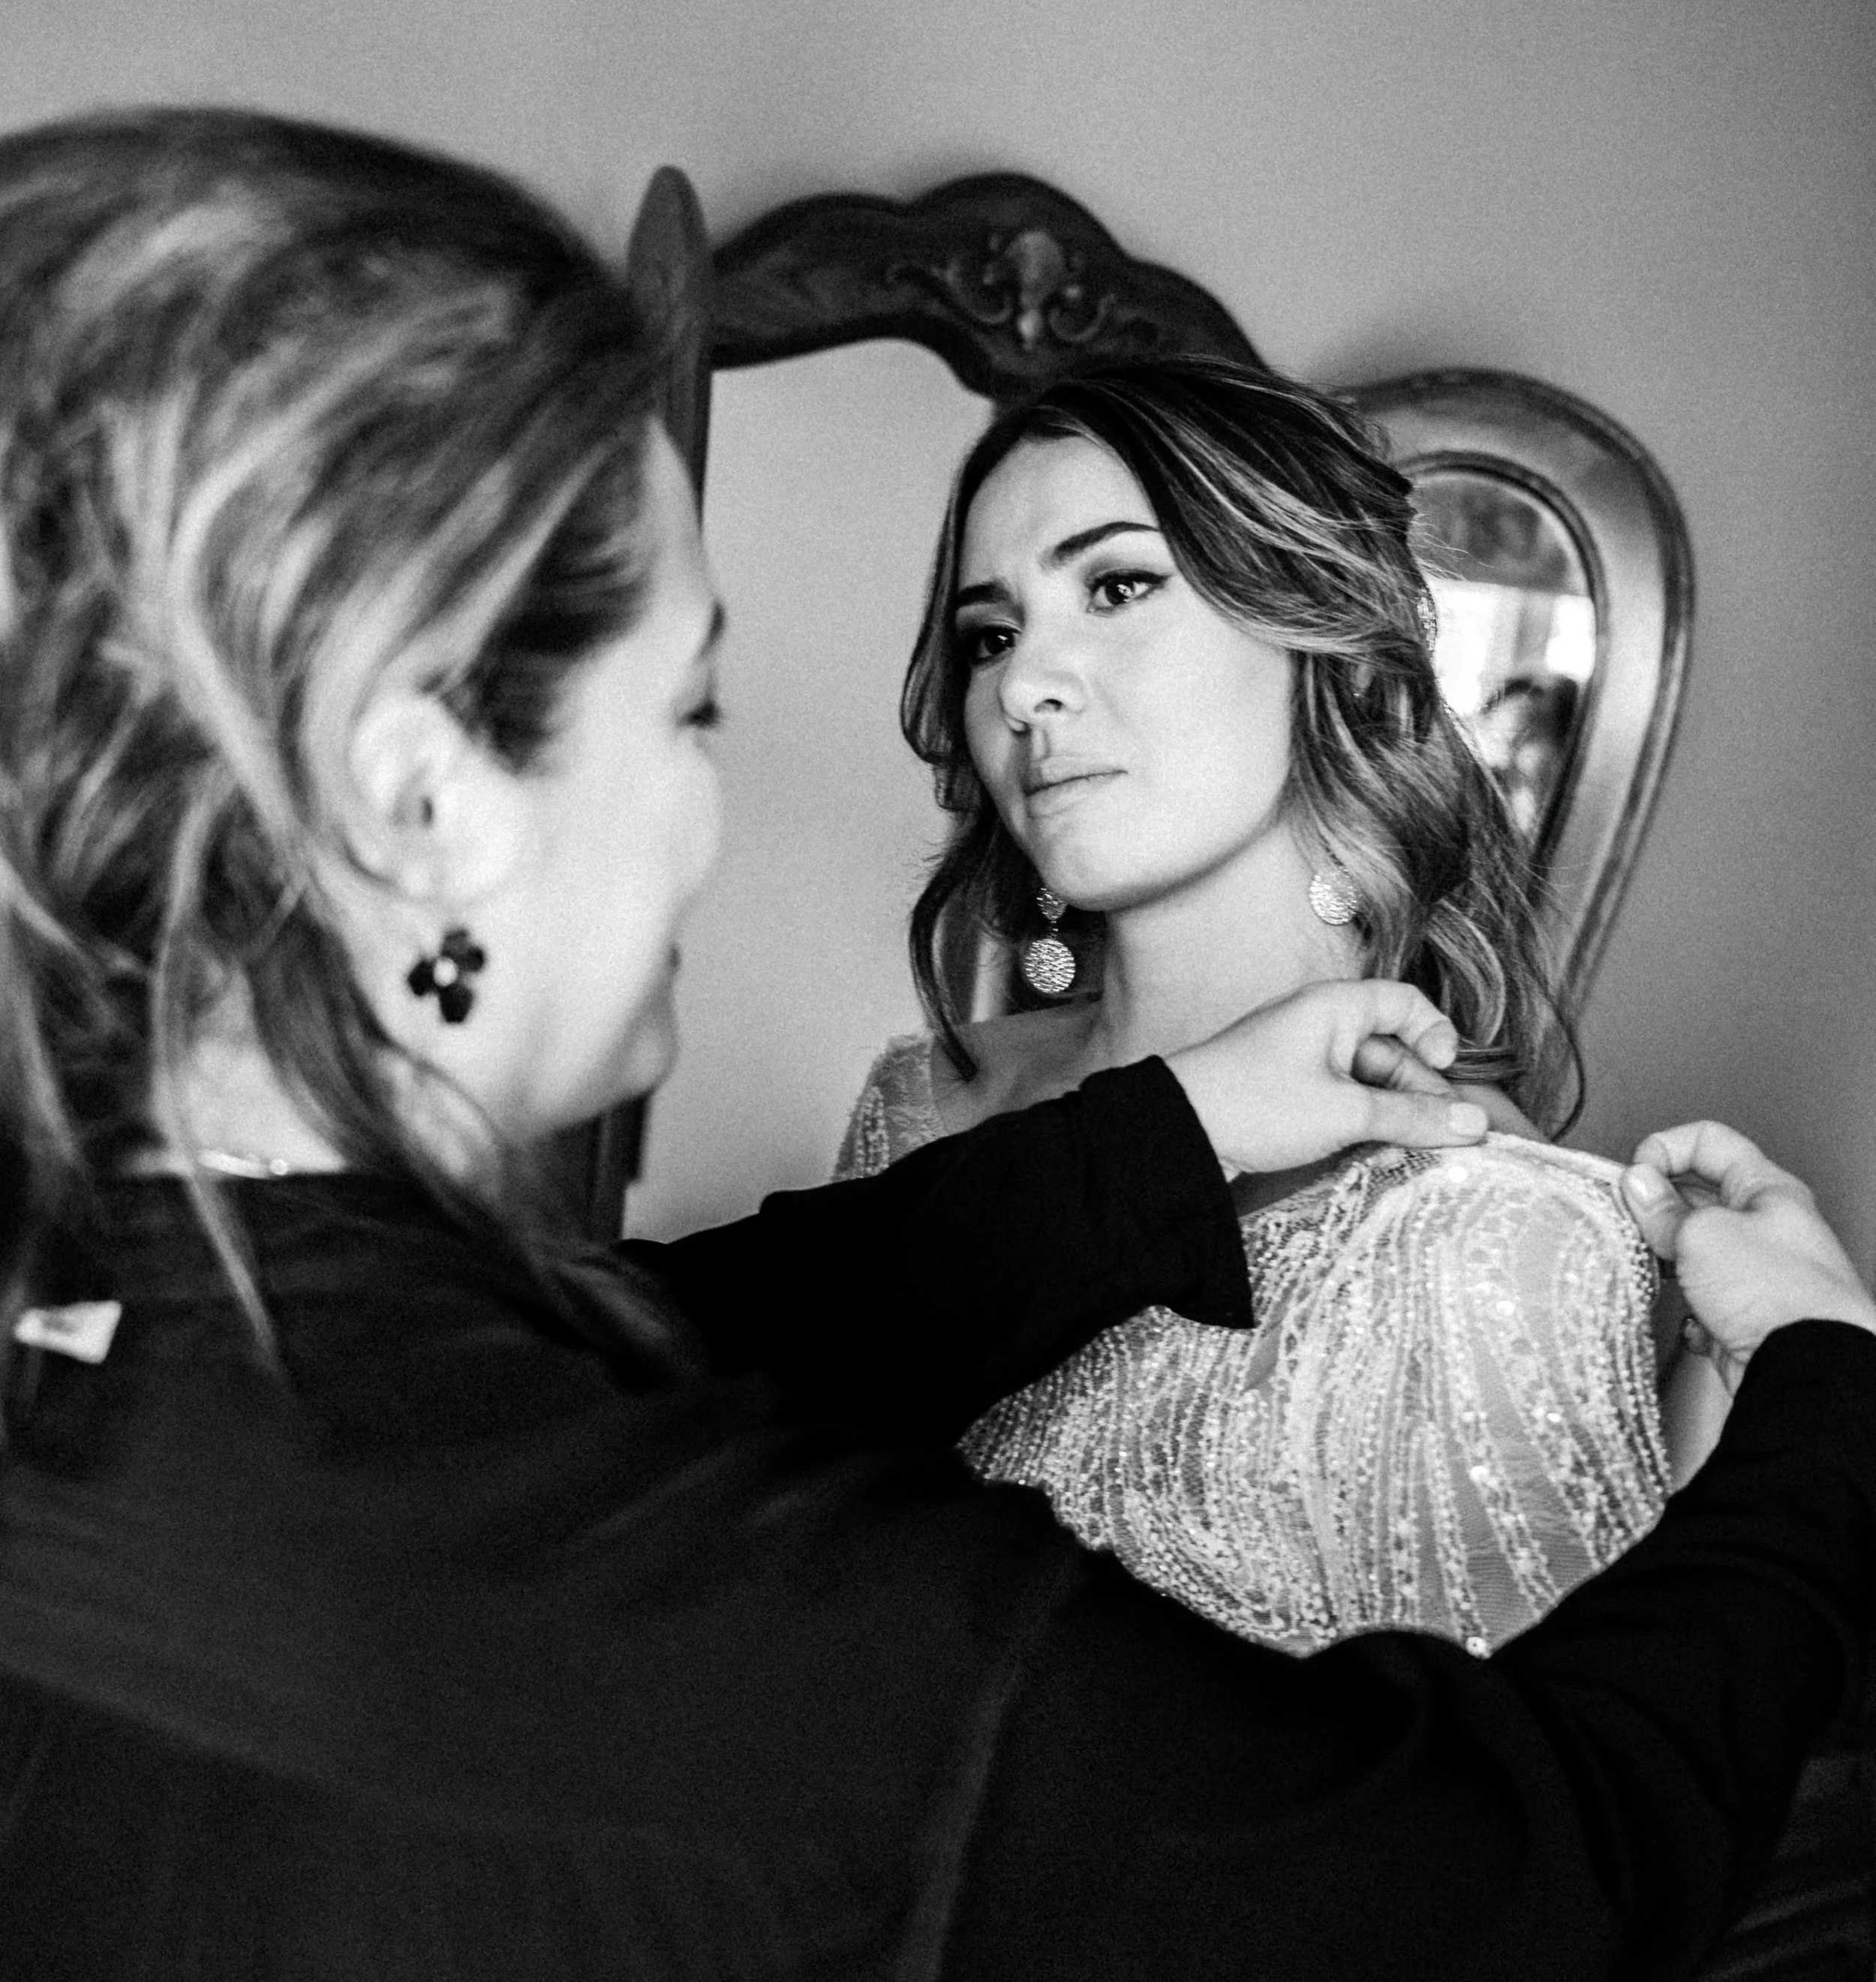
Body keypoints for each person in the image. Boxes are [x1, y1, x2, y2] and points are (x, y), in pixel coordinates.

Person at [1, 107, 1874, 1982]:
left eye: (1118, 588)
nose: (1018, 688)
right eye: (691, 705)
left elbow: (706, 1315)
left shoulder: (107, 1351)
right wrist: (1823, 1389)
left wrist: (1167, 1131)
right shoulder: (708, 1582)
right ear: (422, 803)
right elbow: (1512, 1901)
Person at [840, 354, 1724, 1656]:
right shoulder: (922, 1104)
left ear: (1320, 633)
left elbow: (1512, 1833)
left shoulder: (1493, 1243)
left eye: (1119, 585)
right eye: (991, 634)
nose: (1026, 685)